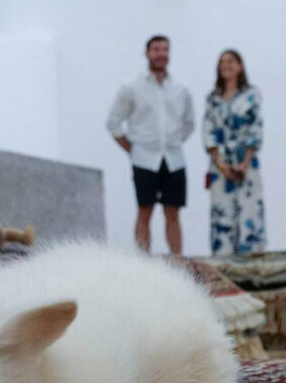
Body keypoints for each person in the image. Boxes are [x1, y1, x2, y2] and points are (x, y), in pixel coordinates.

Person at [106, 35, 195, 255]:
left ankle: (178, 261)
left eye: (165, 49)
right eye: (156, 49)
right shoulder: (131, 87)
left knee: (173, 213)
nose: (161, 54)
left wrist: (172, 142)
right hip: (144, 160)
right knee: (144, 211)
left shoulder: (181, 89)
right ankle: (143, 263)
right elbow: (113, 123)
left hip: (174, 160)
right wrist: (133, 149)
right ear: (147, 53)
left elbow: (189, 124)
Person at [203, 50, 265, 256]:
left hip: (245, 163)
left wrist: (245, 162)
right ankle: (223, 260)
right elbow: (208, 130)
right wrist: (220, 163)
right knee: (222, 213)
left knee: (249, 211)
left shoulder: (251, 95)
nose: (226, 66)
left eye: (231, 61)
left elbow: (256, 128)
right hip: (221, 166)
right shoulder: (213, 99)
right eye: (222, 62)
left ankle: (252, 260)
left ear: (240, 66)